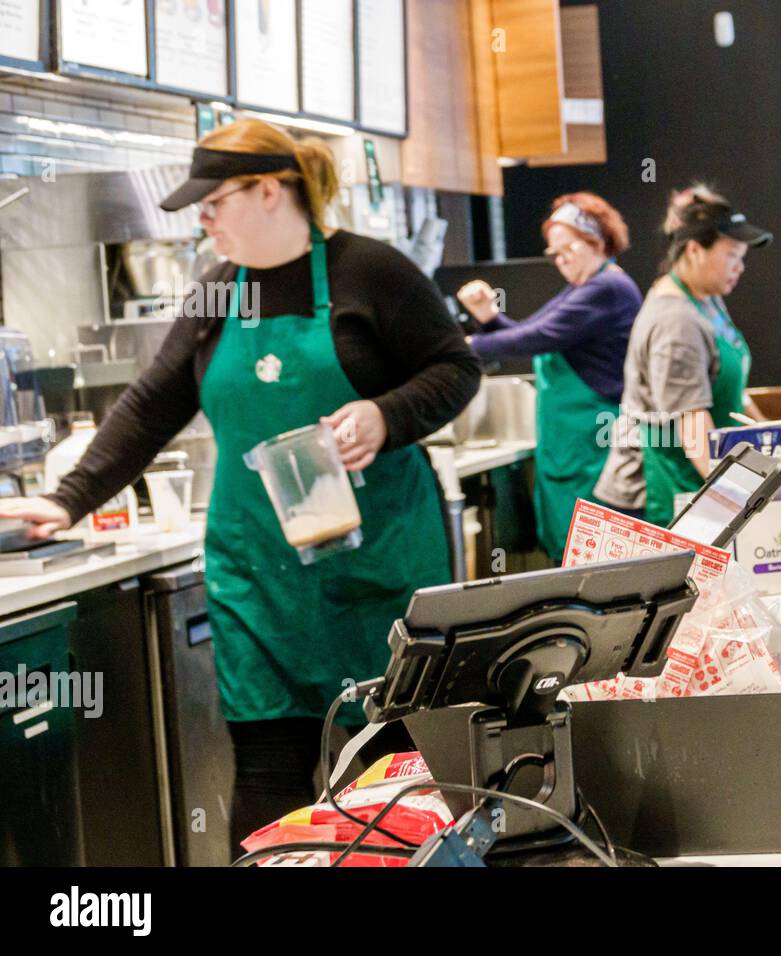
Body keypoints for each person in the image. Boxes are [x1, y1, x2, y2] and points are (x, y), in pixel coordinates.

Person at [0, 119, 481, 859]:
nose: (204, 219)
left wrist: (386, 416)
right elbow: (152, 404)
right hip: (259, 580)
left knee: (395, 772)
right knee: (267, 776)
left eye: (214, 200)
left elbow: (455, 369)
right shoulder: (216, 296)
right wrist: (67, 498)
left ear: (268, 191)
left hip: (376, 570)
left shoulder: (369, 272)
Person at [457, 193, 641, 559]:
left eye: (567, 249)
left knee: (593, 561)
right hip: (572, 448)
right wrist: (489, 317)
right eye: (554, 254)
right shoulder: (582, 289)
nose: (560, 260)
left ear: (597, 240)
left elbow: (535, 337)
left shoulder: (608, 288)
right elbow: (534, 333)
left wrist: (463, 344)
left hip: (591, 448)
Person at [595, 188, 771, 527]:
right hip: (661, 489)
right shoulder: (676, 322)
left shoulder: (705, 297)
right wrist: (744, 505)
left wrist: (772, 435)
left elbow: (731, 391)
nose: (741, 267)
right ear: (694, 250)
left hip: (699, 472)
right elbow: (693, 428)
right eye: (733, 255)